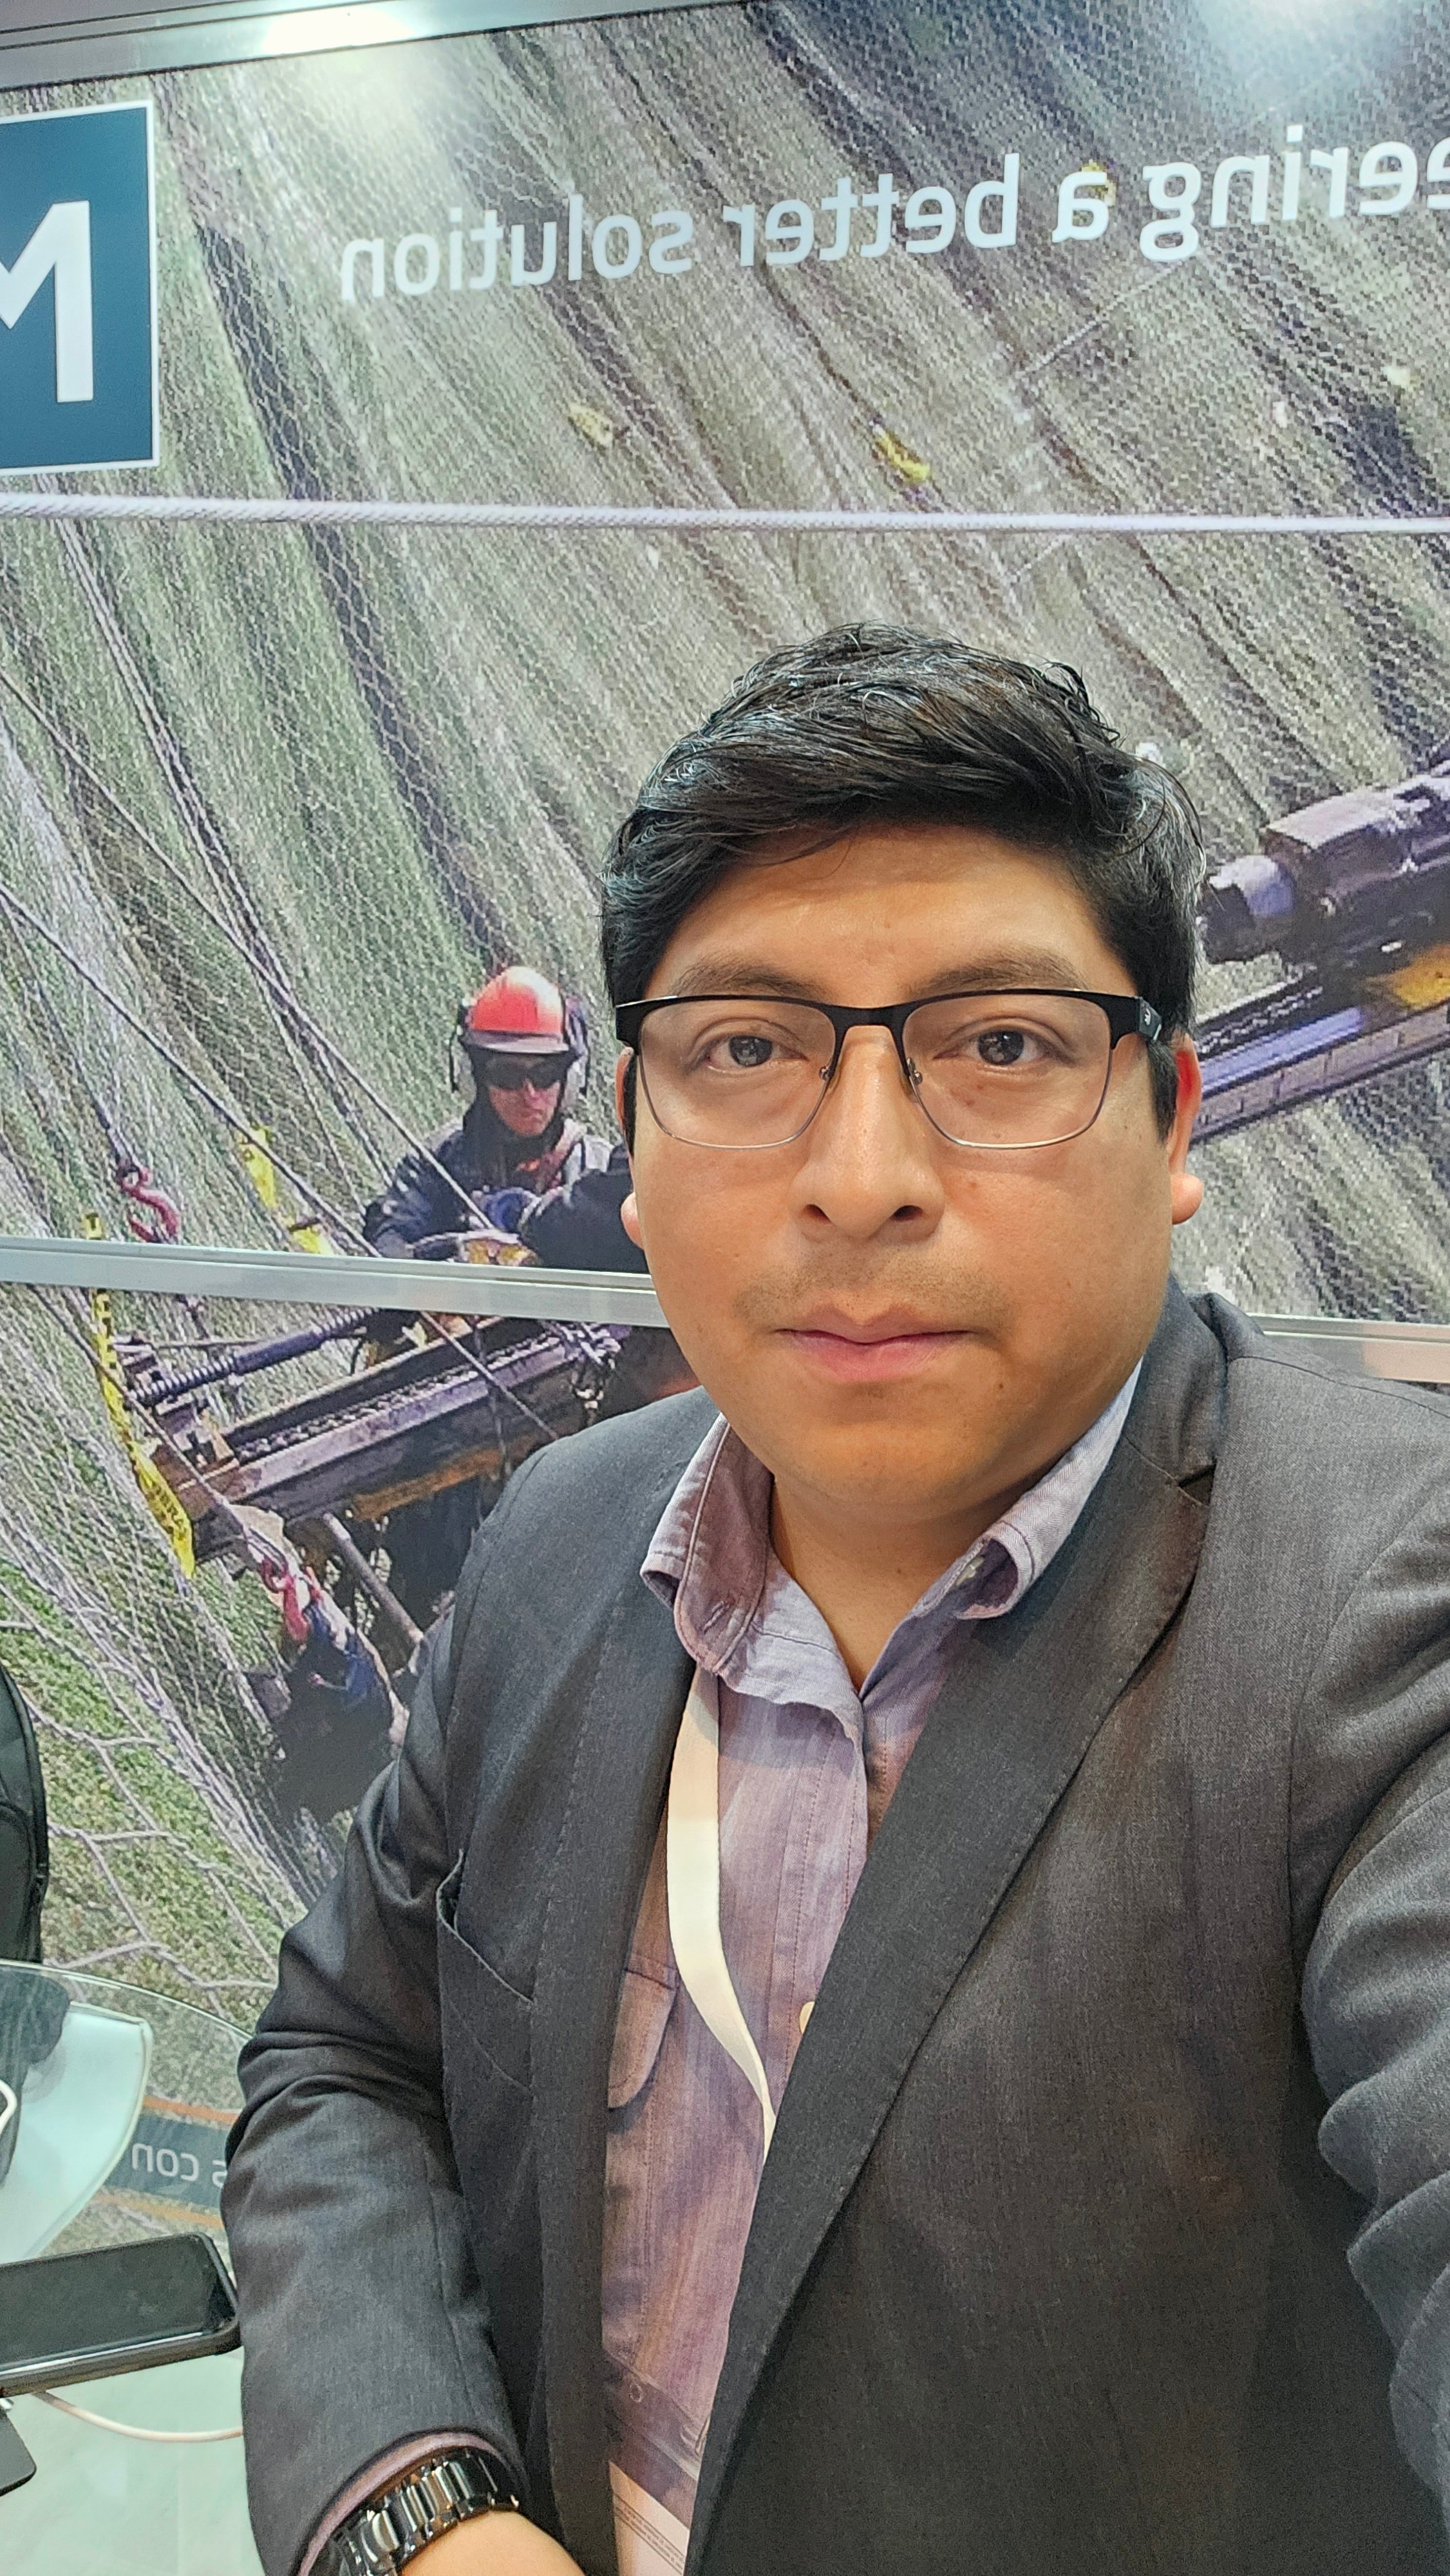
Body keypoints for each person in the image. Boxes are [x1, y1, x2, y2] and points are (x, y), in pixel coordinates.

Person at [225, 629, 1450, 2576]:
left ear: (1176, 1114)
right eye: (745, 1052)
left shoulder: (1387, 1620)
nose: (862, 1174)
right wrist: (421, 2512)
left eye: (1002, 1045)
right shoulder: (562, 1542)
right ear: (630, 1135)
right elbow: (346, 2065)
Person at [364, 966, 615, 1260]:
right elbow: (390, 1244)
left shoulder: (599, 1170)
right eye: (506, 1075)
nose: (530, 1094)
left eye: (546, 1074)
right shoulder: (437, 1163)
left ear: (570, 1079)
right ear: (475, 1078)